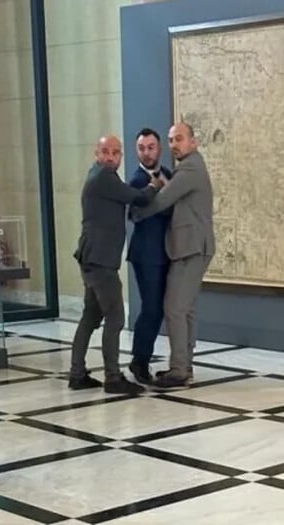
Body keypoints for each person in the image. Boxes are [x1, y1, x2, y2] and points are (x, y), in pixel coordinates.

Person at [68, 135, 158, 394]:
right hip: (100, 260)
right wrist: (154, 186)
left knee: (91, 315)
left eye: (115, 153)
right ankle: (113, 377)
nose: (110, 157)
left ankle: (77, 374)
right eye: (105, 151)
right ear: (96, 153)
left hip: (92, 256)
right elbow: (136, 197)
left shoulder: (99, 175)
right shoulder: (104, 177)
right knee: (116, 316)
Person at [130, 123, 215, 390]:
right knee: (184, 309)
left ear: (193, 142)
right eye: (171, 140)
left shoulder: (189, 169)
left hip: (191, 247)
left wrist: (137, 213)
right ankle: (183, 366)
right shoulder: (185, 168)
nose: (174, 145)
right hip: (186, 247)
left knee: (175, 309)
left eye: (179, 139)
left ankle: (179, 371)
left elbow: (163, 199)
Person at [126, 128, 174, 385]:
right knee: (151, 308)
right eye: (141, 148)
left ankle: (144, 358)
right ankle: (140, 360)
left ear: (159, 149)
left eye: (151, 147)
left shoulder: (168, 174)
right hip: (146, 255)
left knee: (159, 309)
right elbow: (145, 211)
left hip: (166, 252)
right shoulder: (136, 181)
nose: (146, 152)